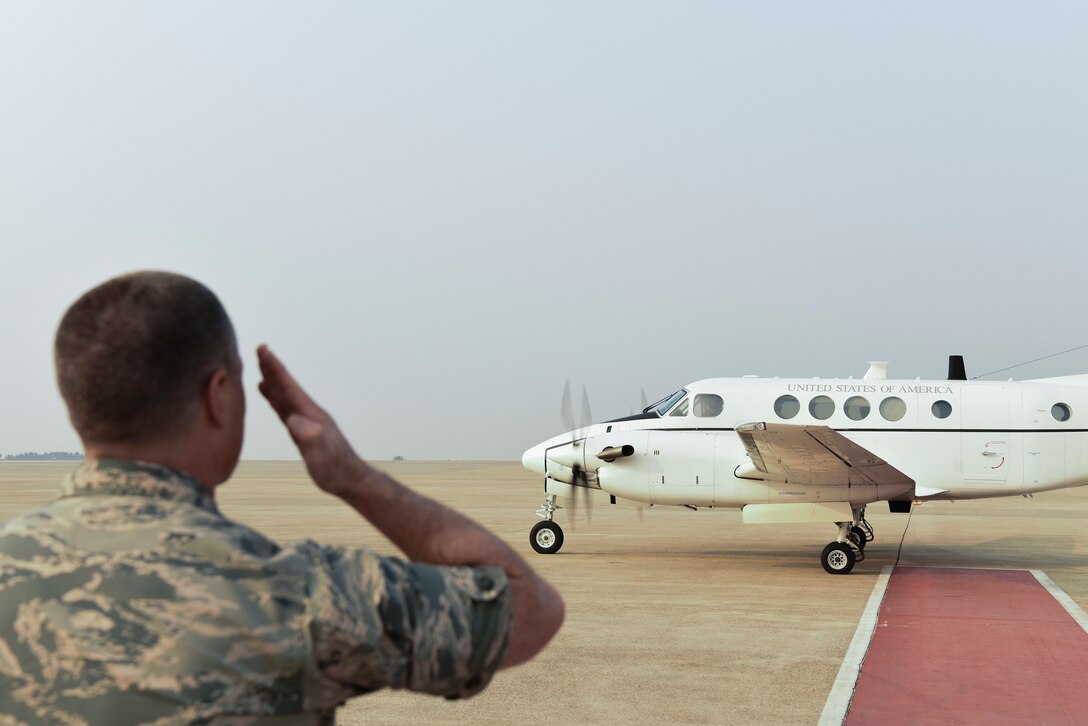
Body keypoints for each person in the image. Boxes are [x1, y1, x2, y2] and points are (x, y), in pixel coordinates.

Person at [0, 271, 564, 724]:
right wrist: (354, 478)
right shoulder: (301, 591)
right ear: (220, 397)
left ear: (75, 404)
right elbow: (531, 611)